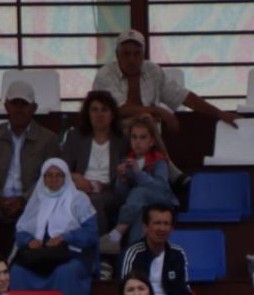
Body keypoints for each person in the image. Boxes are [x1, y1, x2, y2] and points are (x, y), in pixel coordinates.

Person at [7, 157, 99, 295]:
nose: (53, 180)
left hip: (72, 254)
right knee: (17, 271)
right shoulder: (37, 199)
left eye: (59, 175)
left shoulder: (79, 199)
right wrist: (29, 241)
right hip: (40, 255)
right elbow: (21, 231)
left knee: (65, 273)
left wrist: (66, 237)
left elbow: (91, 233)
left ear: (66, 178)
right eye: (49, 175)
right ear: (43, 178)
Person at [91, 30, 239, 140]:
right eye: (127, 54)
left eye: (137, 54)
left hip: (149, 140)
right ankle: (174, 173)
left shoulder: (153, 71)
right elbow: (118, 109)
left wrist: (220, 114)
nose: (132, 59)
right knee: (147, 118)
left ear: (143, 55)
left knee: (148, 122)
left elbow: (183, 96)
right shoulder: (105, 75)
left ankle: (168, 171)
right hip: (113, 138)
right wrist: (160, 111)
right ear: (117, 55)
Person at [0, 81, 59, 225]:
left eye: (24, 104)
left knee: (46, 206)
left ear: (34, 108)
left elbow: (47, 178)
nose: (19, 109)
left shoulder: (48, 139)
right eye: (15, 104)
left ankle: (24, 247)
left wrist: (23, 199)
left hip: (31, 201)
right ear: (6, 106)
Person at [58, 89, 127, 237]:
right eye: (94, 110)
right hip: (80, 188)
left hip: (110, 191)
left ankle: (100, 247)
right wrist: (75, 177)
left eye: (104, 110)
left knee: (93, 201)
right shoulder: (75, 136)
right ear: (88, 113)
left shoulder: (122, 139)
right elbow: (61, 168)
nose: (99, 114)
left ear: (112, 114)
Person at [109, 114, 175, 249]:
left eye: (143, 137)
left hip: (162, 200)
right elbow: (122, 196)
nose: (137, 142)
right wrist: (121, 181)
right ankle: (136, 255)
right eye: (134, 137)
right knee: (140, 216)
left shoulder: (159, 160)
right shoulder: (126, 160)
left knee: (140, 192)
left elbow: (161, 187)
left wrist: (139, 174)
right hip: (139, 206)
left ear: (151, 142)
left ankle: (118, 231)